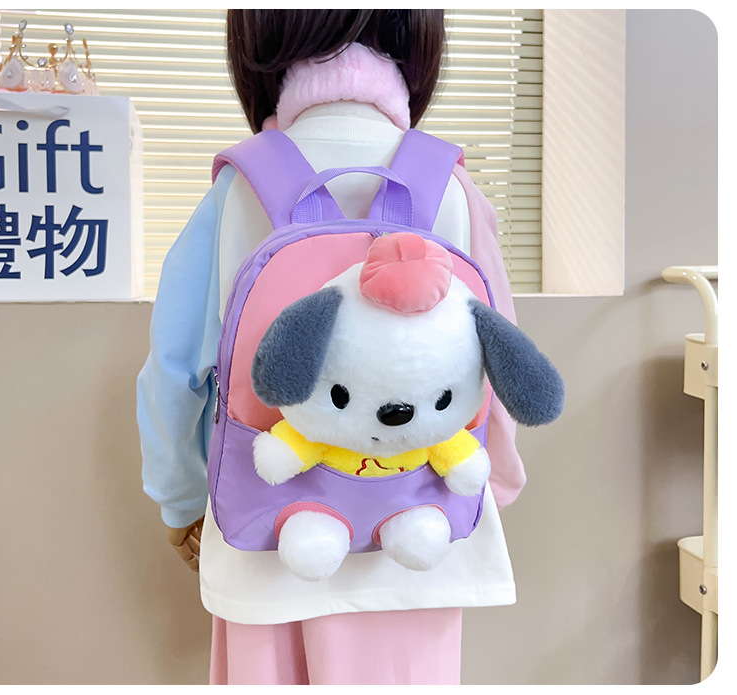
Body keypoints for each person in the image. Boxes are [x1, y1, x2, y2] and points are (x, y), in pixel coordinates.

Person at [137, 9, 527, 685]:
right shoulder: (450, 185)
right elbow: (497, 363)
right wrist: (492, 483)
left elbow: (174, 373)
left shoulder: (238, 187)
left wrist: (182, 501)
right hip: (420, 534)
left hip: (269, 534)